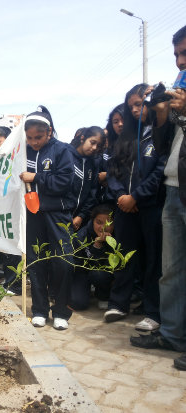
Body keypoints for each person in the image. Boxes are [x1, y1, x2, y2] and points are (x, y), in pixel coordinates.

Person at [130, 25, 186, 371]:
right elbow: (166, 144)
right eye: (178, 55)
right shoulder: (180, 85)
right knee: (172, 270)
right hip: (174, 188)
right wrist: (165, 110)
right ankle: (173, 334)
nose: (181, 63)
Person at [105, 83, 166, 332]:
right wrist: (121, 195)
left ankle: (153, 312)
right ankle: (119, 304)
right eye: (131, 106)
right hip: (124, 207)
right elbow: (112, 172)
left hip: (150, 206)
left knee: (153, 261)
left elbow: (161, 170)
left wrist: (137, 196)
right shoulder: (124, 138)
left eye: (139, 104)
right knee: (123, 257)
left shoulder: (161, 135)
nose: (134, 110)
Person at [19, 105, 75, 331]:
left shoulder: (62, 151)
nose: (34, 142)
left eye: (38, 137)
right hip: (33, 215)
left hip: (57, 214)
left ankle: (61, 311)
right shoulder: (23, 152)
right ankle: (40, 310)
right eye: (30, 137)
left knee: (63, 262)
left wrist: (37, 177)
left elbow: (65, 183)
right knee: (36, 262)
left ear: (49, 132)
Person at [69, 203, 116, 311]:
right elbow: (77, 265)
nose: (103, 227)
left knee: (99, 275)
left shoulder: (118, 235)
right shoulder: (81, 236)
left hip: (103, 273)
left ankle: (103, 295)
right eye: (99, 222)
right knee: (78, 303)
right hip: (83, 271)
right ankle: (86, 289)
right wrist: (96, 246)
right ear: (92, 221)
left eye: (108, 223)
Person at [69, 126, 104, 231]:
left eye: (98, 146)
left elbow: (92, 193)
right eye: (92, 142)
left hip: (79, 221)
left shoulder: (94, 163)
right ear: (82, 138)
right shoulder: (67, 156)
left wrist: (81, 216)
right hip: (61, 215)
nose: (94, 148)